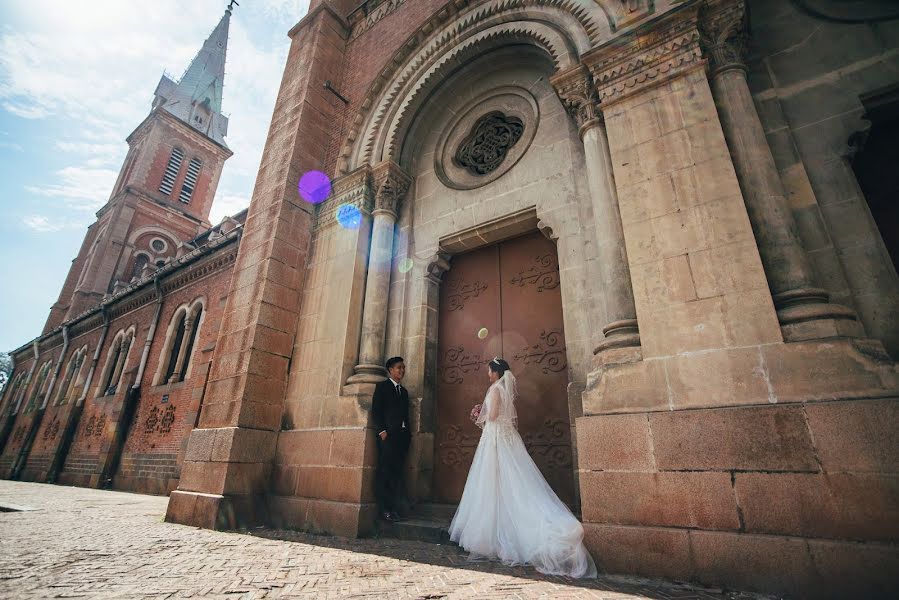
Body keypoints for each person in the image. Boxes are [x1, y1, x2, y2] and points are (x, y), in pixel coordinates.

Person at [448, 357, 597, 578]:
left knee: (493, 480)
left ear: (496, 372)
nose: (488, 374)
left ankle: (496, 533)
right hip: (504, 438)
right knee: (510, 481)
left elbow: (493, 416)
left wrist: (479, 412)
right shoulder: (504, 390)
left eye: (490, 371)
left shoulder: (496, 389)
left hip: (496, 440)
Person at [371, 356, 410, 522]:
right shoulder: (382, 387)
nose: (401, 370)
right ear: (390, 370)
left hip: (401, 438)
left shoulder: (404, 392)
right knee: (385, 473)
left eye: (403, 368)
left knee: (397, 474)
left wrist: (408, 435)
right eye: (398, 368)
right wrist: (382, 432)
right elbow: (376, 411)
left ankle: (393, 510)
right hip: (388, 437)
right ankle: (384, 510)